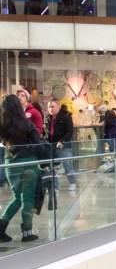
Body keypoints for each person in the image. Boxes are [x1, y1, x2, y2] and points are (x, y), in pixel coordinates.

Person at [0, 94, 43, 242]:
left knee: (17, 198)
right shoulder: (27, 124)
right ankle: (27, 232)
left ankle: (1, 226)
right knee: (28, 198)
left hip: (11, 163)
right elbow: (38, 144)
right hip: (29, 163)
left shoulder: (2, 125)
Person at [45, 100, 76, 192]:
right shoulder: (47, 119)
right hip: (51, 145)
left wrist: (62, 141)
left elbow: (69, 132)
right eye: (49, 107)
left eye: (53, 106)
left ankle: (72, 182)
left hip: (63, 145)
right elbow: (46, 132)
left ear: (58, 107)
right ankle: (55, 186)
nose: (51, 109)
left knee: (67, 165)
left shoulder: (66, 118)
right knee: (52, 167)